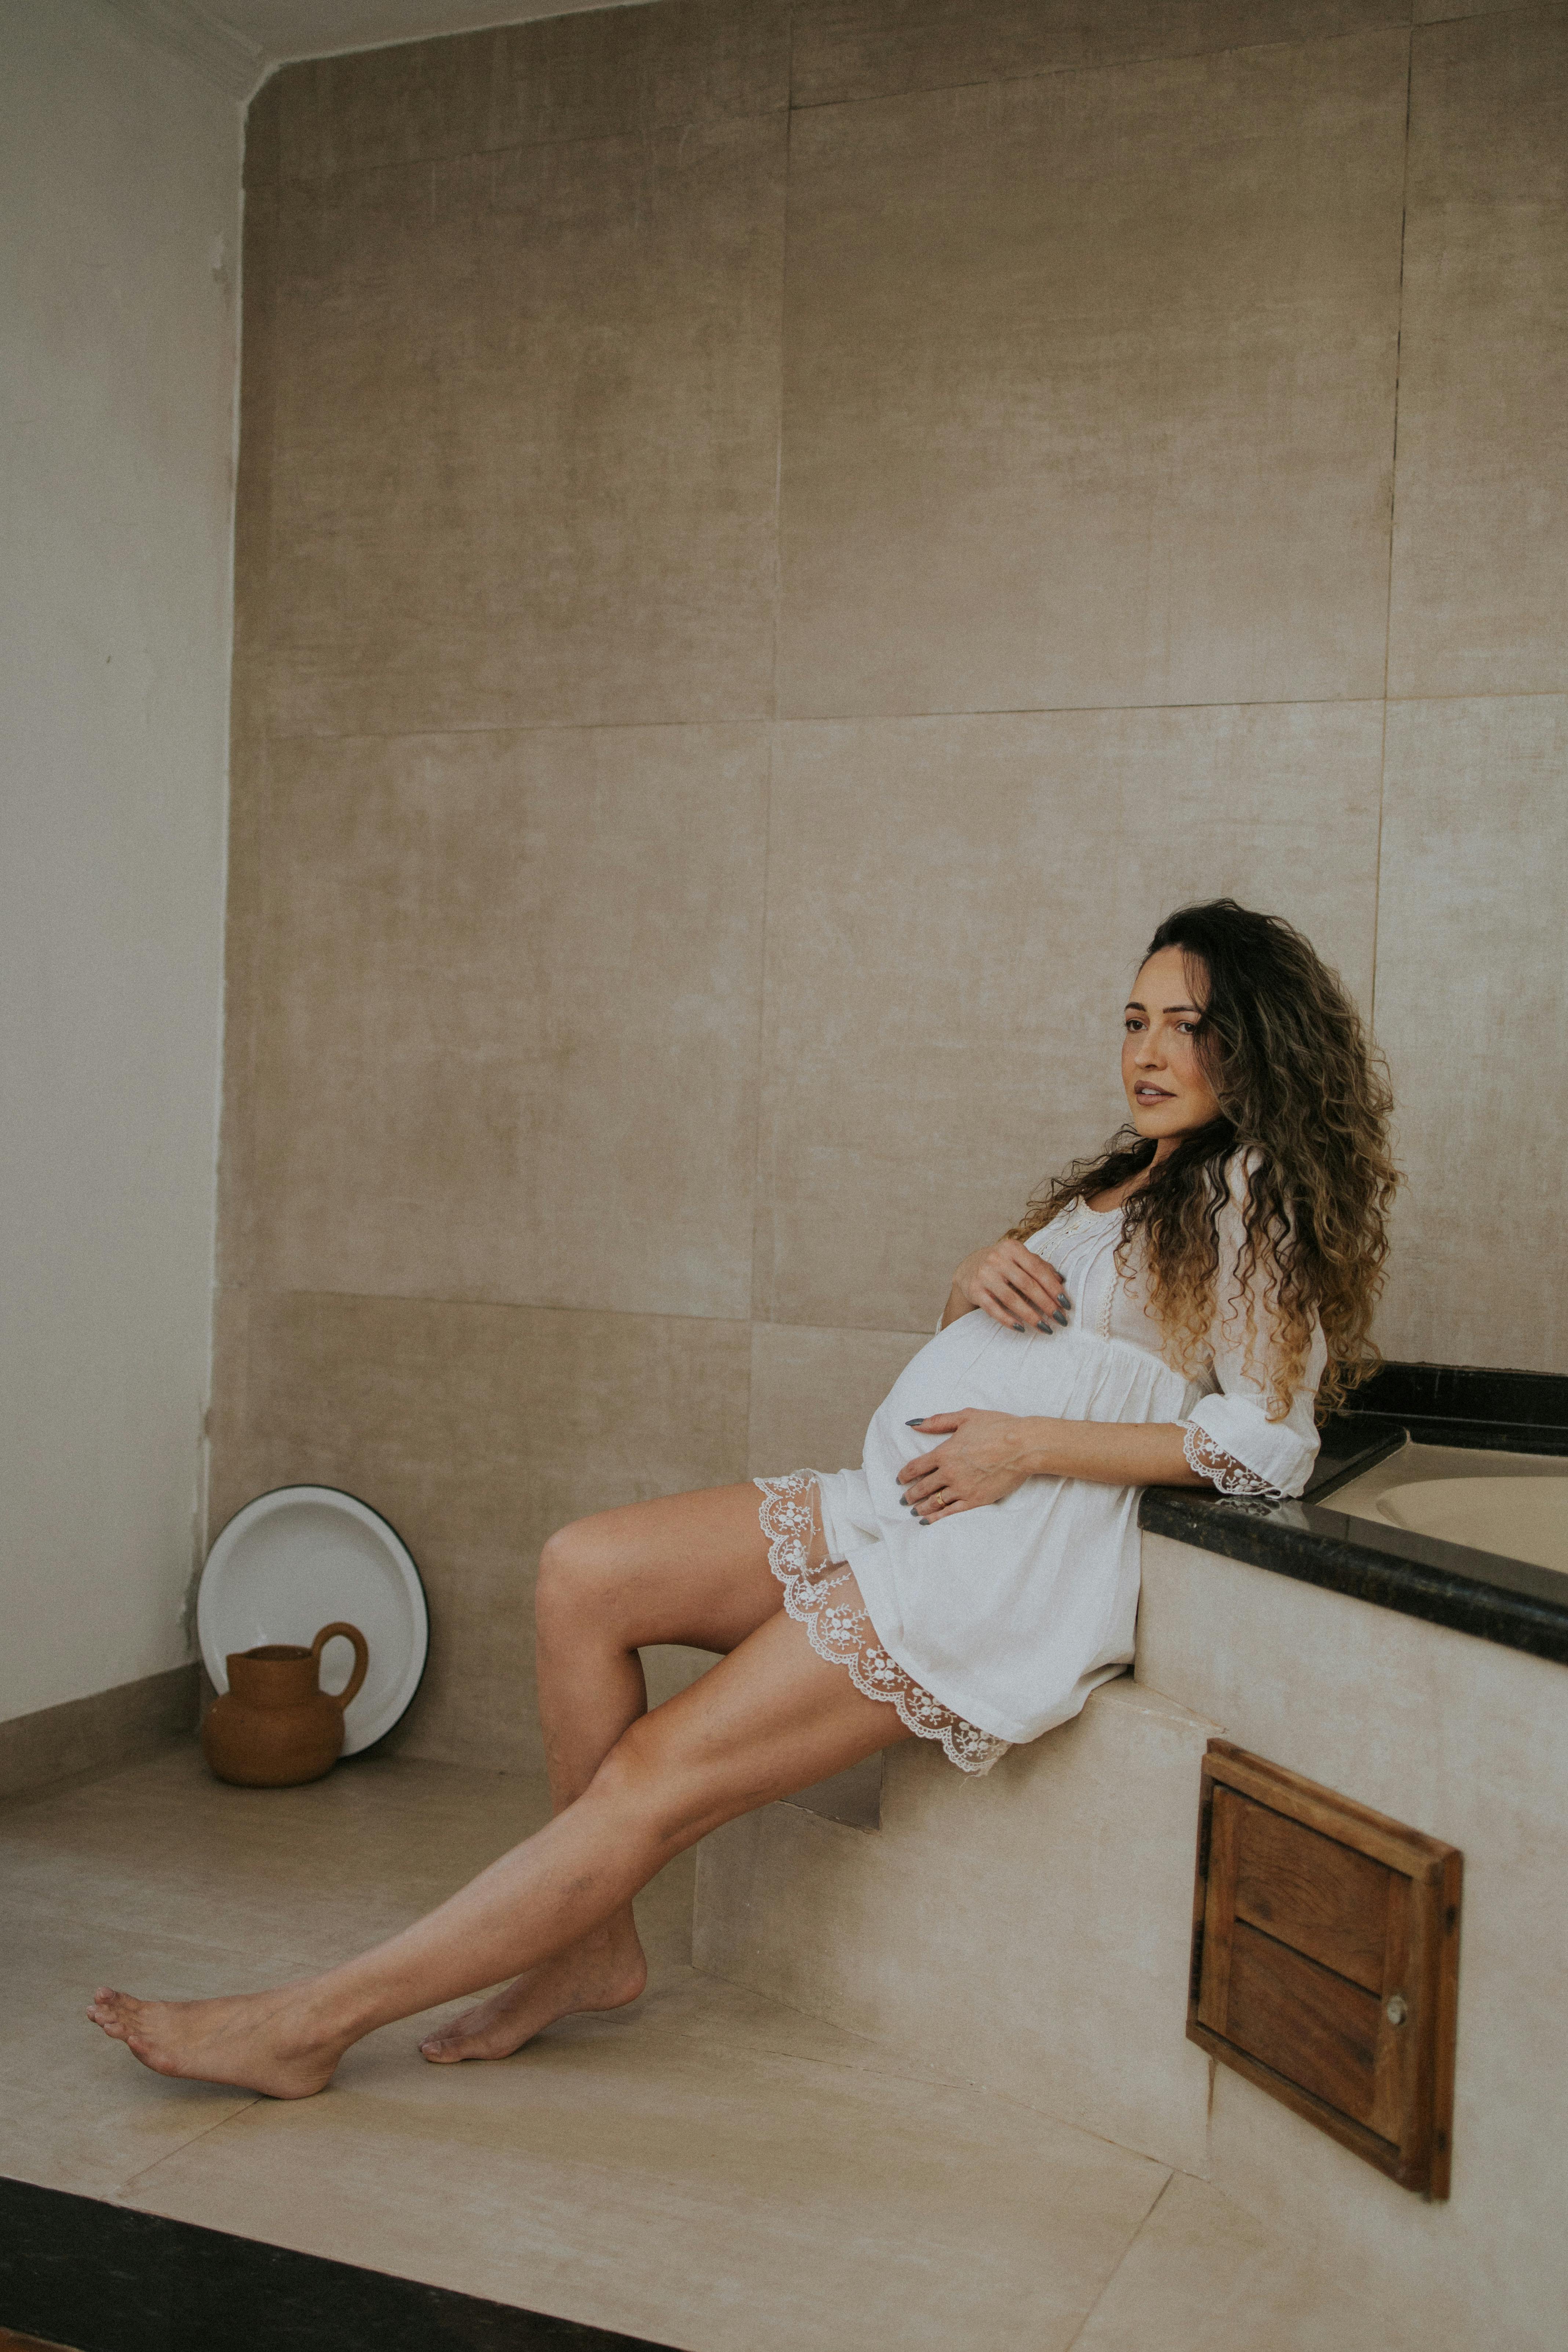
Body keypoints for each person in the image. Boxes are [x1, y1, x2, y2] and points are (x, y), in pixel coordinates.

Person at [89, 899, 1397, 2097]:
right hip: (900, 1502)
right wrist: (970, 1279)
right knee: (582, 1570)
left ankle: (309, 2023)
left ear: (1254, 1043)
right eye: (1133, 1020)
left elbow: (1264, 1441)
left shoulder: (1253, 1200)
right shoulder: (1130, 1181)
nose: (1147, 1049)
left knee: (654, 1770)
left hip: (987, 1566)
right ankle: (586, 1945)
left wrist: (1023, 1446)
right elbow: (1022, 1340)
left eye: (1186, 1024)